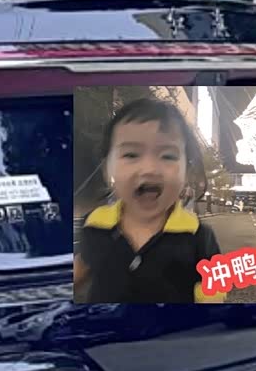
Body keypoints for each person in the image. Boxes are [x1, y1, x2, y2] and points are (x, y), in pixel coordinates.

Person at [75, 97, 226, 304]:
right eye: (131, 155)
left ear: (187, 172)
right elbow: (79, 270)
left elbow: (213, 291)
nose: (149, 169)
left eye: (168, 156)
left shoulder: (199, 236)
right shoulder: (94, 225)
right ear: (106, 169)